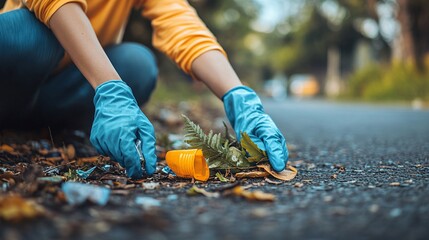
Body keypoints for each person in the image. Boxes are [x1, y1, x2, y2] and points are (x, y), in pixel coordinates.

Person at [0, 0, 288, 178]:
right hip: (15, 73)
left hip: (58, 90)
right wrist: (108, 86)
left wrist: (237, 95)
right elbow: (53, 3)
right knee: (36, 35)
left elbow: (181, 26)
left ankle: (58, 130)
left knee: (137, 64)